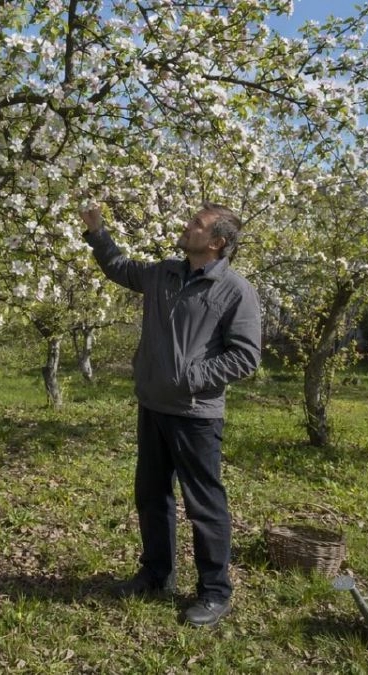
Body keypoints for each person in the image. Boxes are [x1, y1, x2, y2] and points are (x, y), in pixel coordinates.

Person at [80, 203, 261, 627]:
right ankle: (156, 575)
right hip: (153, 406)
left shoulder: (235, 290)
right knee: (152, 496)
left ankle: (215, 592)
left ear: (216, 242)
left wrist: (190, 376)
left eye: (196, 224)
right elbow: (121, 268)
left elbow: (246, 357)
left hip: (196, 415)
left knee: (204, 506)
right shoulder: (164, 273)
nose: (187, 226)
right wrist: (97, 231)